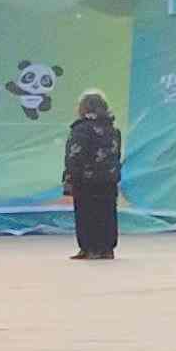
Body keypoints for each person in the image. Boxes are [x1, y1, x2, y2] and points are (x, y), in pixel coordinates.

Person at [62, 89, 124, 260]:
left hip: (86, 180)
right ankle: (107, 248)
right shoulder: (112, 129)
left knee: (86, 213)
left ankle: (89, 248)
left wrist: (69, 177)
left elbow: (75, 155)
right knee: (107, 213)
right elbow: (116, 155)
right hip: (108, 179)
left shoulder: (81, 129)